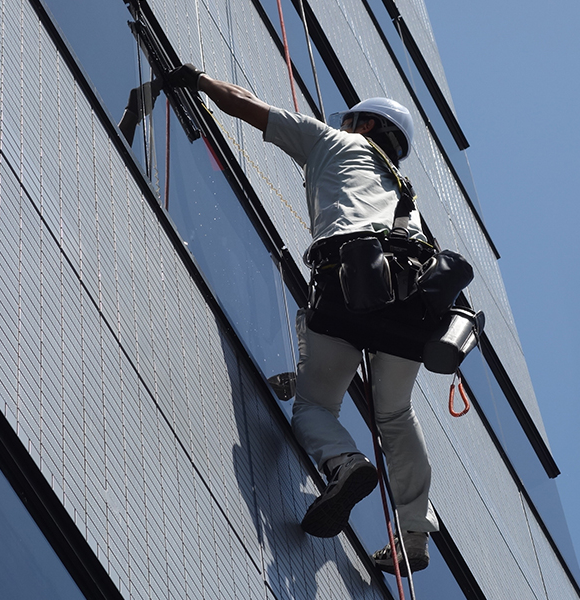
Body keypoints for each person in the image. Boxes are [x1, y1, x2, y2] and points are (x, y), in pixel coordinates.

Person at [169, 63, 438, 574]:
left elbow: (247, 104)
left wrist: (198, 80)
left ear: (363, 125)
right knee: (396, 415)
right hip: (407, 306)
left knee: (315, 403)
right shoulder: (408, 198)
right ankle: (413, 535)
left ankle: (345, 463)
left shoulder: (335, 142)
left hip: (346, 284)